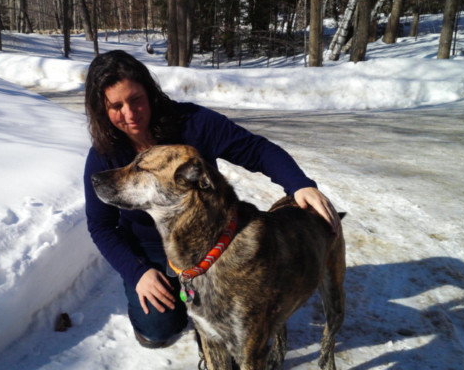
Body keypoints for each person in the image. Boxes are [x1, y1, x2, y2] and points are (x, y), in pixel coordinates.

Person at [83, 50, 341, 349]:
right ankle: (167, 311)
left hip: (212, 234)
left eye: (136, 99)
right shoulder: (105, 155)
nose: (130, 113)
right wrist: (138, 273)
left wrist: (299, 184)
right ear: (102, 109)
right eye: (116, 106)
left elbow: (256, 149)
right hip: (152, 245)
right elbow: (100, 227)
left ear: (149, 92)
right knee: (160, 328)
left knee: (239, 319)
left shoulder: (191, 123)